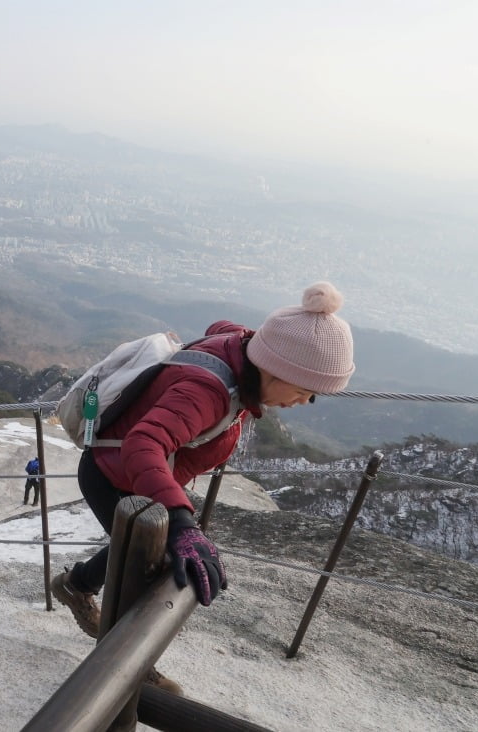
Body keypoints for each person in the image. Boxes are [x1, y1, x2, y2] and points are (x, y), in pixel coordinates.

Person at [50, 282, 355, 694]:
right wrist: (180, 523)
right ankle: (126, 675)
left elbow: (223, 326)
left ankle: (77, 585)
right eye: (303, 390)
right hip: (114, 474)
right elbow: (144, 444)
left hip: (136, 475)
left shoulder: (243, 346)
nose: (302, 402)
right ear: (274, 368)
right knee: (148, 568)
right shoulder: (208, 392)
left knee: (142, 552)